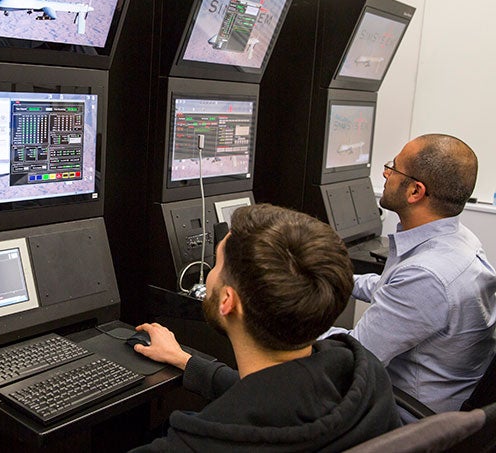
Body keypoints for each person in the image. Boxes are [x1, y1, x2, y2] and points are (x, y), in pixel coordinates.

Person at [130, 203, 401, 452]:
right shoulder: (363, 372)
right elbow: (272, 392)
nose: (210, 274)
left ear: (227, 300)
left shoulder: (198, 444)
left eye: (217, 264)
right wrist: (185, 361)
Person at [325, 134, 496, 419]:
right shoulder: (459, 240)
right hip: (449, 406)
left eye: (394, 168)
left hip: (409, 419)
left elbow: (352, 358)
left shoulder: (426, 276)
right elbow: (392, 289)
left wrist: (283, 320)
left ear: (415, 191)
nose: (385, 172)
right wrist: (338, 278)